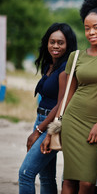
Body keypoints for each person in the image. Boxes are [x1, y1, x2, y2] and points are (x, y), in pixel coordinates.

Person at [41, 0, 97, 194]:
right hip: (73, 121)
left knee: (87, 183)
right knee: (69, 179)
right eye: (87, 28)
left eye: (96, 27)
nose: (91, 32)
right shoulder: (75, 56)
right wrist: (52, 131)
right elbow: (67, 97)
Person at [19, 23, 77, 194]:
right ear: (47, 43)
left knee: (26, 173)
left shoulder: (65, 69)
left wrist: (39, 130)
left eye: (61, 42)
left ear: (68, 45)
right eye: (52, 42)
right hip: (41, 120)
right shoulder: (49, 65)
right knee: (46, 177)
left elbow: (61, 103)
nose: (56, 46)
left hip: (51, 124)